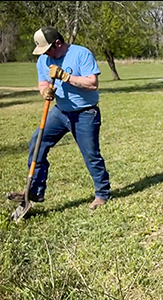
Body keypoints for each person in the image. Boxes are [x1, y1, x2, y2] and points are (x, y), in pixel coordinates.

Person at [7, 27, 111, 211]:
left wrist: (65, 76)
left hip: (85, 113)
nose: (46, 54)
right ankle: (35, 191)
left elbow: (92, 83)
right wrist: (45, 91)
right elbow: (42, 83)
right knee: (37, 144)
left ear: (58, 43)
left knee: (91, 154)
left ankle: (102, 193)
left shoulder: (81, 53)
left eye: (48, 49)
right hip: (60, 111)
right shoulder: (44, 60)